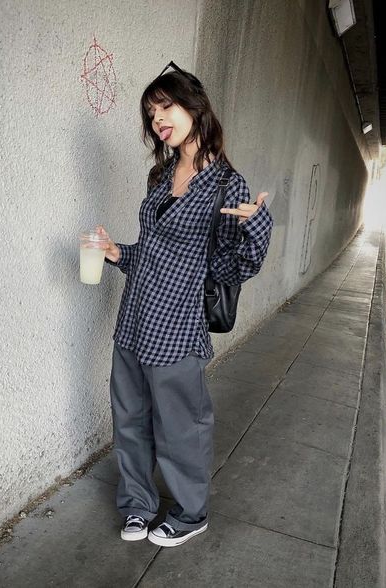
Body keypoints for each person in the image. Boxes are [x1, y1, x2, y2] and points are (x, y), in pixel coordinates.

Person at [97, 61, 273, 548]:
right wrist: (117, 253)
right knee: (129, 420)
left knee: (180, 429)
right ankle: (138, 505)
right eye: (151, 113)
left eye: (166, 107)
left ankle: (191, 512)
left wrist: (255, 227)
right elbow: (153, 254)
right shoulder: (160, 175)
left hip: (177, 327)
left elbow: (232, 270)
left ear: (195, 108)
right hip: (133, 322)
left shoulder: (226, 185)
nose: (158, 119)